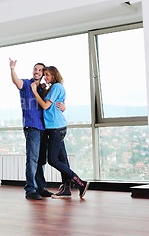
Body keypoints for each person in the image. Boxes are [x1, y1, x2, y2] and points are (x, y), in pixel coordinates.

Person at [30, 66, 90, 199]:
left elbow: (45, 106)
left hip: (56, 128)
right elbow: (58, 104)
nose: (45, 77)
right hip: (55, 127)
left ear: (54, 75)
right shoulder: (54, 87)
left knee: (52, 159)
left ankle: (80, 182)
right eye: (44, 75)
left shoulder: (57, 86)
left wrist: (34, 92)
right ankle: (67, 188)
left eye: (48, 75)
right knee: (62, 159)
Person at [10, 58, 58, 200]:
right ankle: (30, 189)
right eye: (35, 69)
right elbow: (16, 81)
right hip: (32, 127)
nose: (36, 71)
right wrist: (12, 68)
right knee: (32, 159)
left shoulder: (43, 89)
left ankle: (41, 187)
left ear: (43, 74)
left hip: (44, 128)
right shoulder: (26, 84)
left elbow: (51, 103)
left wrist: (63, 106)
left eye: (40, 70)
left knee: (41, 160)